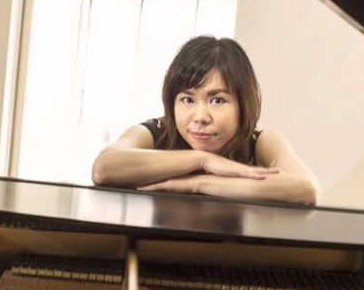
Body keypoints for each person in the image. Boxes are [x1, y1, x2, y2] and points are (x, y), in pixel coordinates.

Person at [91, 36, 319, 206]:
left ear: (243, 104)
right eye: (187, 99)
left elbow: (305, 189)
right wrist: (202, 160)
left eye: (218, 100)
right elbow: (103, 169)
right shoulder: (156, 131)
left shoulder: (260, 141)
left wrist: (196, 183)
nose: (200, 117)